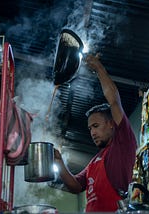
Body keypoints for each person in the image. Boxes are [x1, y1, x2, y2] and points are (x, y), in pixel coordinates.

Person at [54, 54, 137, 212]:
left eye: (96, 126)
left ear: (111, 124)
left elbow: (114, 101)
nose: (92, 132)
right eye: (90, 128)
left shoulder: (123, 142)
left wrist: (99, 68)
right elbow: (76, 186)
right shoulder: (94, 161)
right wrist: (59, 162)